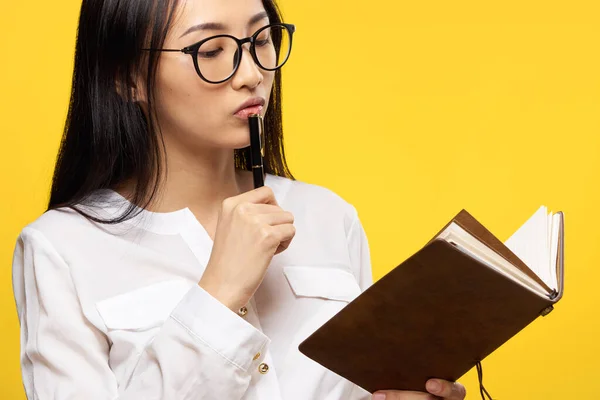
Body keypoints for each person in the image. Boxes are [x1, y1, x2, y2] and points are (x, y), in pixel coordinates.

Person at [11, 0, 467, 399]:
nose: (252, 75)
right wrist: (218, 295)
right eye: (211, 51)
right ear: (127, 77)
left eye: (262, 40)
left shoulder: (328, 216)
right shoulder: (61, 250)